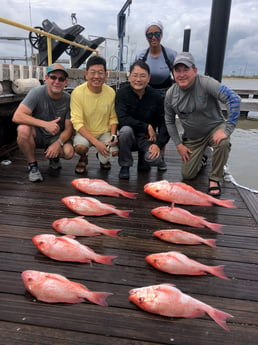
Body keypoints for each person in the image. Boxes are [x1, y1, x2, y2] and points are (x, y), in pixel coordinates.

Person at [164, 52, 241, 196]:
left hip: (214, 129)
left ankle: (215, 178)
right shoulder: (170, 94)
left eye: (185, 69)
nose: (181, 74)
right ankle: (202, 159)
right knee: (188, 175)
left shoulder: (206, 83)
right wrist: (178, 145)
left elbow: (234, 99)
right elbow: (169, 120)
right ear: (173, 73)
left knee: (223, 142)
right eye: (177, 70)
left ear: (194, 70)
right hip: (193, 137)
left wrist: (227, 129)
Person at [12, 63, 74, 182]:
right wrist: (45, 124)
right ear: (46, 79)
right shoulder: (36, 92)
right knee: (22, 129)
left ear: (66, 82)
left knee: (69, 153)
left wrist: (58, 143)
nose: (57, 81)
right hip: (38, 134)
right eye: (53, 77)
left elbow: (69, 129)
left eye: (61, 79)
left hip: (56, 136)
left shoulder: (69, 99)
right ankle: (32, 165)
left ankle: (54, 157)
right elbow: (17, 116)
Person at [115, 60, 170, 180]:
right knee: (124, 131)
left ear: (149, 78)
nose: (138, 79)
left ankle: (145, 160)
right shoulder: (121, 94)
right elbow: (122, 118)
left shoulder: (156, 96)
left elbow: (164, 123)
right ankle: (125, 165)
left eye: (142, 76)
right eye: (135, 75)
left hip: (147, 138)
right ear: (129, 77)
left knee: (153, 159)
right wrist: (146, 126)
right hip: (129, 136)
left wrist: (158, 145)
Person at [136, 20, 177, 170]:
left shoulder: (171, 54)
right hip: (147, 93)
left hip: (166, 92)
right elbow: (136, 75)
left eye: (157, 34)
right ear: (146, 36)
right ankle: (146, 153)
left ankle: (161, 156)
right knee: (148, 125)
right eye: (150, 34)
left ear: (162, 34)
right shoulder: (141, 54)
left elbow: (177, 75)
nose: (153, 37)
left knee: (164, 125)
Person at [70, 55, 118, 174]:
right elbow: (77, 122)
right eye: (93, 72)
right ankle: (83, 158)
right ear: (86, 74)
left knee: (114, 152)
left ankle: (103, 159)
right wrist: (97, 143)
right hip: (85, 132)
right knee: (80, 147)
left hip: (104, 132)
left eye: (100, 73)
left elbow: (113, 117)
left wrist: (113, 136)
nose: (96, 76)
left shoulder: (111, 92)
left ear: (106, 75)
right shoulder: (77, 93)